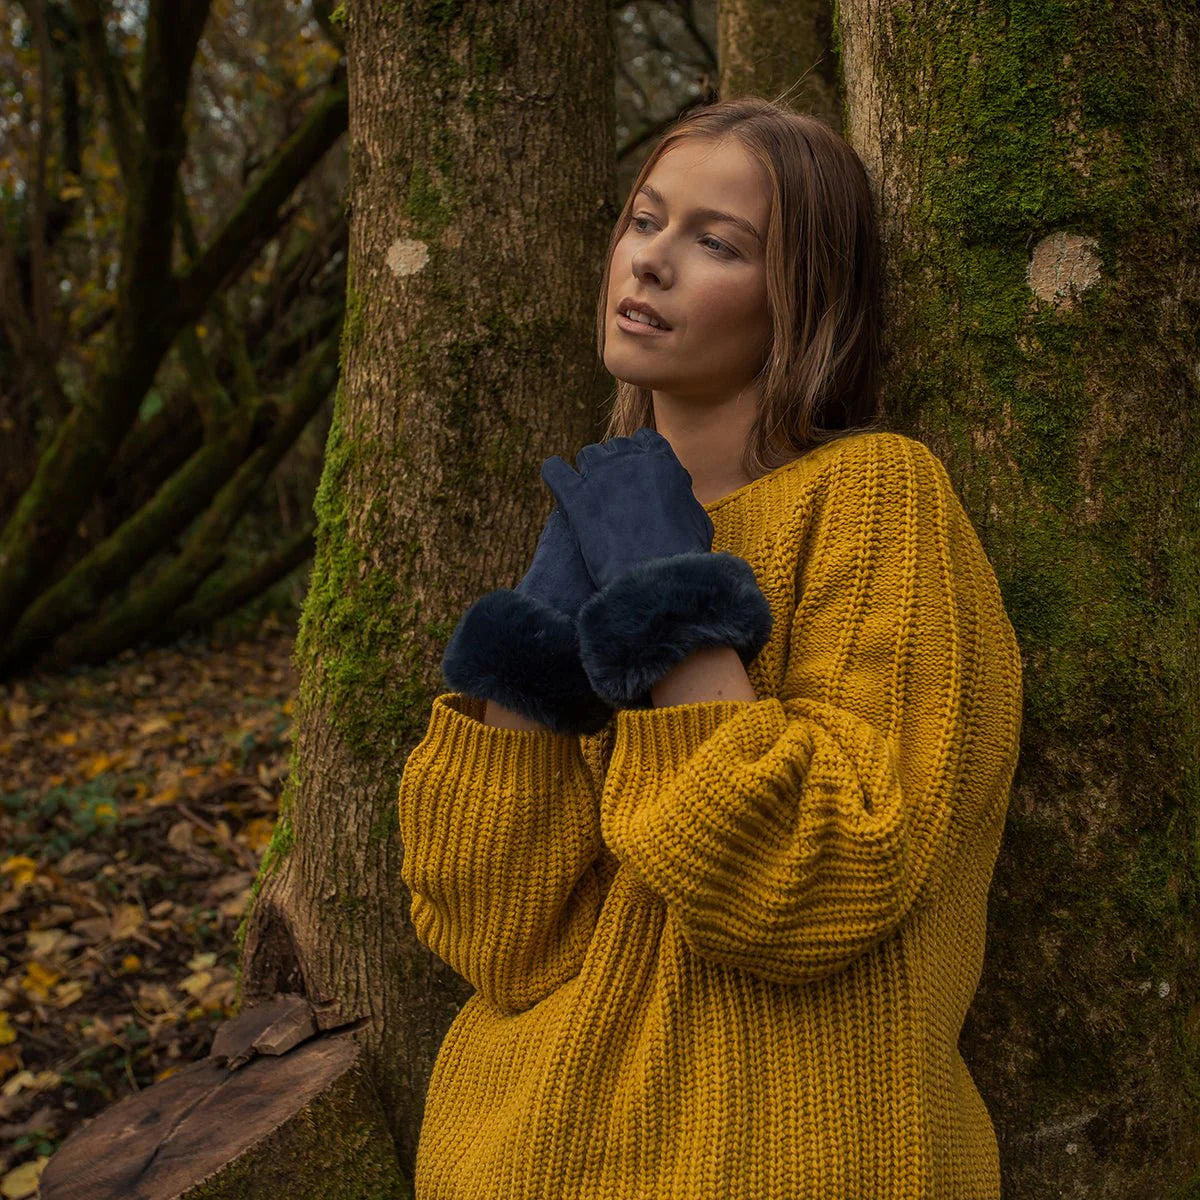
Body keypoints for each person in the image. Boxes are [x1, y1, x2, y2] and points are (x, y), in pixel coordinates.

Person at [398, 95, 1023, 1200]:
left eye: (715, 242)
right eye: (645, 221)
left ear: (802, 299)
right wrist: (537, 658)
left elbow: (826, 873)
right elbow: (495, 935)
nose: (652, 263)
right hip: (520, 1151)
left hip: (795, 1158)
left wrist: (665, 604)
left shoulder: (880, 497)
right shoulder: (600, 523)